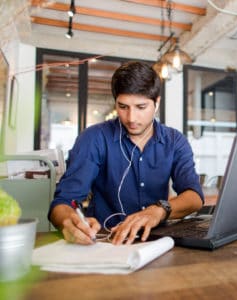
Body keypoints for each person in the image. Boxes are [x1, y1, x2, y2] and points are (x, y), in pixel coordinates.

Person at [48, 61, 204, 245]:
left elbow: (194, 197)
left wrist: (159, 210)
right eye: (123, 107)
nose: (131, 118)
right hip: (105, 242)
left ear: (157, 102)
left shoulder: (175, 141)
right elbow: (63, 202)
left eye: (141, 107)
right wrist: (68, 221)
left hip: (155, 242)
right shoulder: (93, 138)